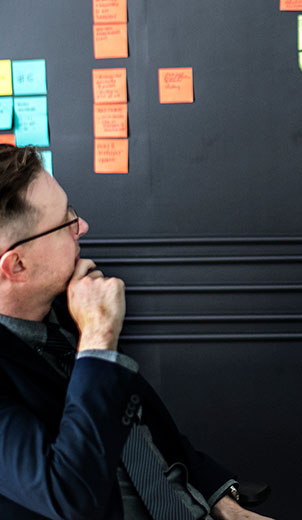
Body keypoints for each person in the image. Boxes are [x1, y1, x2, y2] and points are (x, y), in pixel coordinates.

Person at [0, 143, 276, 520]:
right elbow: (69, 495)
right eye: (65, 222)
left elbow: (146, 426)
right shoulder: (91, 323)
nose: (82, 226)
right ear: (16, 265)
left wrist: (221, 501)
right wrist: (98, 342)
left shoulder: (67, 305)